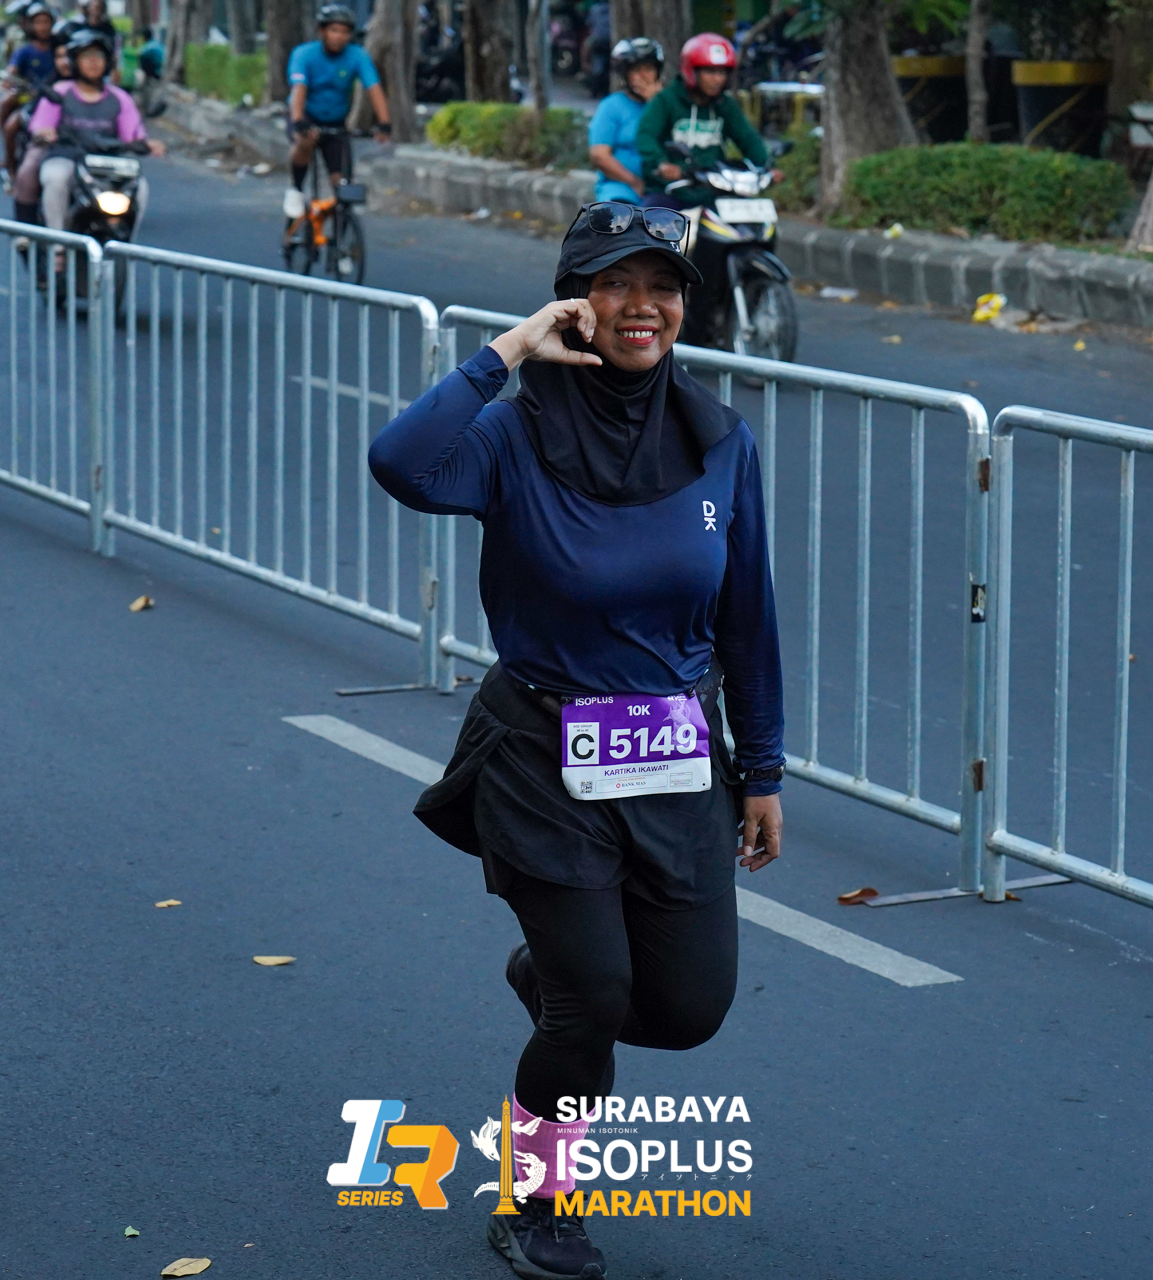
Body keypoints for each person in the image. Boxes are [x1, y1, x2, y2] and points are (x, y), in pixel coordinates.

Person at [368, 203, 784, 1280]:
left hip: (676, 758)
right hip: (542, 755)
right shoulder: (512, 434)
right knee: (592, 1000)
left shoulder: (720, 443)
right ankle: (535, 1200)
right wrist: (508, 349)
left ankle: (548, 976)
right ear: (575, 301)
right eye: (615, 284)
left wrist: (764, 768)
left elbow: (749, 617)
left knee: (686, 1010)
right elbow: (402, 463)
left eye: (664, 287)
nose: (642, 307)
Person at [12, 26, 161, 230]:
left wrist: (148, 145)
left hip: (107, 163)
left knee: (140, 188)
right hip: (66, 156)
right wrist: (45, 134)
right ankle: (58, 241)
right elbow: (41, 127)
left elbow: (133, 136)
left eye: (98, 56)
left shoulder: (120, 98)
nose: (93, 62)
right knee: (55, 178)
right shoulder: (60, 92)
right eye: (86, 56)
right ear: (75, 61)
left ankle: (125, 244)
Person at [634, 31, 768, 207]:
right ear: (691, 71)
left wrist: (767, 166)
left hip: (715, 190)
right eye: (710, 72)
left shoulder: (725, 105)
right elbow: (646, 136)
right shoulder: (666, 100)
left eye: (722, 72)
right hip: (671, 190)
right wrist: (661, 164)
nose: (717, 79)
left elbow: (748, 138)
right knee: (652, 219)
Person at [283, 3, 389, 219]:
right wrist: (299, 121)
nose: (339, 37)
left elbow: (374, 88)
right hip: (306, 115)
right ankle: (296, 189)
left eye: (344, 32)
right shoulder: (304, 54)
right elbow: (299, 89)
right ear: (322, 31)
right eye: (333, 30)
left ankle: (342, 230)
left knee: (342, 184)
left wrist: (384, 123)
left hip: (335, 120)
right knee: (305, 141)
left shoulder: (357, 55)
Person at [585, 36, 661, 204]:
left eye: (649, 69)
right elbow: (599, 155)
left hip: (663, 188)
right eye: (636, 70)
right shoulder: (612, 106)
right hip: (623, 188)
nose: (643, 76)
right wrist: (634, 182)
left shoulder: (666, 104)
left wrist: (655, 104)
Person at [0, 0, 56, 180]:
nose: (42, 27)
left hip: (55, 98)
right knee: (10, 124)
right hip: (29, 96)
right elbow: (11, 70)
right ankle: (10, 164)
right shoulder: (24, 51)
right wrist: (9, 80)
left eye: (46, 22)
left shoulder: (59, 49)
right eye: (38, 22)